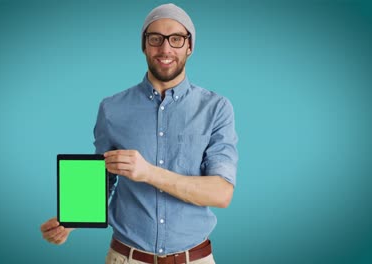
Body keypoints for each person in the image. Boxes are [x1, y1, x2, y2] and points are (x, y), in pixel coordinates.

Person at [41, 3, 238, 263]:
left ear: (189, 47)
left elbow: (221, 193)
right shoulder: (111, 108)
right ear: (144, 45)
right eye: (155, 38)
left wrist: (148, 173)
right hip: (126, 258)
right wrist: (72, 218)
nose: (165, 48)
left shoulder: (216, 108)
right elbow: (103, 177)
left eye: (176, 39)